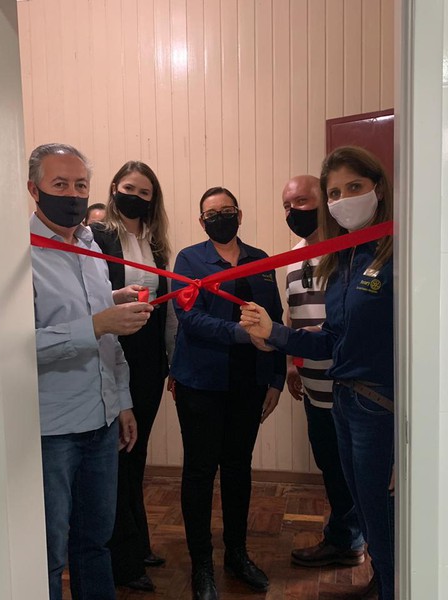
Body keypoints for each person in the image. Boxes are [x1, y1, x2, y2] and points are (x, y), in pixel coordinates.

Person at [240, 147, 395, 600]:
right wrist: (275, 334)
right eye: (335, 193)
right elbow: (330, 340)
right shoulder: (343, 259)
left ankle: (393, 585)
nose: (344, 200)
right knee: (364, 509)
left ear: (378, 188)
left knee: (383, 515)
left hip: (381, 406)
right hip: (345, 400)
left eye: (354, 187)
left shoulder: (399, 249)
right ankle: (382, 580)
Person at [28, 143, 154, 600]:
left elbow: (107, 338)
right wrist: (96, 323)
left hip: (101, 422)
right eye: (60, 184)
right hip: (52, 430)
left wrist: (122, 402)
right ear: (34, 190)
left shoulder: (90, 245)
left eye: (80, 185)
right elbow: (12, 347)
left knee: (96, 543)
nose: (73, 194)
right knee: (47, 553)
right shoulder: (17, 254)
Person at [169, 187, 286, 600]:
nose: (220, 217)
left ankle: (237, 554)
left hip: (248, 383)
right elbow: (189, 317)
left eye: (227, 210)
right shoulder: (189, 260)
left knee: (238, 468)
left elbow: (275, 319)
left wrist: (276, 378)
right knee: (200, 472)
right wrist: (240, 333)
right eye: (212, 213)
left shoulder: (262, 260)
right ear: (201, 221)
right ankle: (202, 564)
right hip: (200, 383)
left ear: (239, 214)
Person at [90, 161, 176, 592]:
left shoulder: (156, 244)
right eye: (129, 188)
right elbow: (89, 299)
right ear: (113, 189)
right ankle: (121, 558)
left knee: (136, 453)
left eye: (145, 192)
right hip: (111, 350)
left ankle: (137, 542)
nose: (136, 197)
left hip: (149, 358)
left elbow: (166, 308)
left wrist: (169, 361)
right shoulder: (97, 236)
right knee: (119, 455)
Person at [281, 175, 365, 568]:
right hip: (313, 384)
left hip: (350, 385)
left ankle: (354, 542)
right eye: (287, 205)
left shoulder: (349, 249)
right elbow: (293, 314)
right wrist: (291, 363)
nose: (293, 211)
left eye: (301, 201)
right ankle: (344, 539)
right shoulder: (291, 257)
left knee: (355, 473)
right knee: (330, 466)